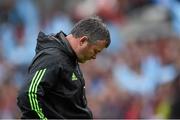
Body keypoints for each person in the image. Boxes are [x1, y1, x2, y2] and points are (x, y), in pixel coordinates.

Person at [17, 16, 111, 119]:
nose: (94, 57)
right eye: (95, 51)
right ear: (83, 41)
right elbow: (28, 93)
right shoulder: (53, 58)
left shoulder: (69, 58)